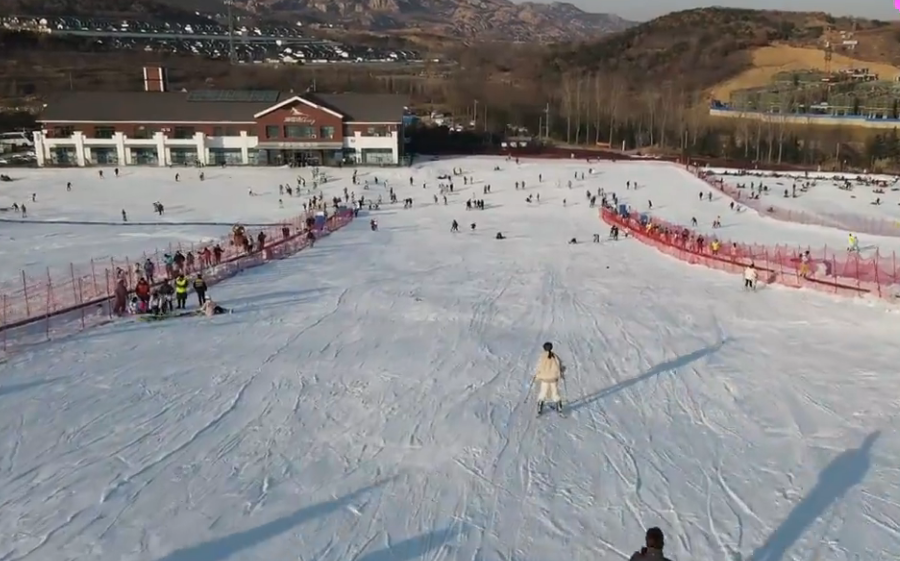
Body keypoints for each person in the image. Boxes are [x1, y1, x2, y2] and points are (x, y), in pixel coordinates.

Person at [533, 341, 565, 414]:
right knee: (555, 392)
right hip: (553, 378)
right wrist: (562, 372)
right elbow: (559, 365)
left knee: (543, 392)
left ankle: (540, 405)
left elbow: (538, 367)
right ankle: (558, 405)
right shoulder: (555, 356)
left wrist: (536, 376)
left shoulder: (542, 357)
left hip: (544, 378)